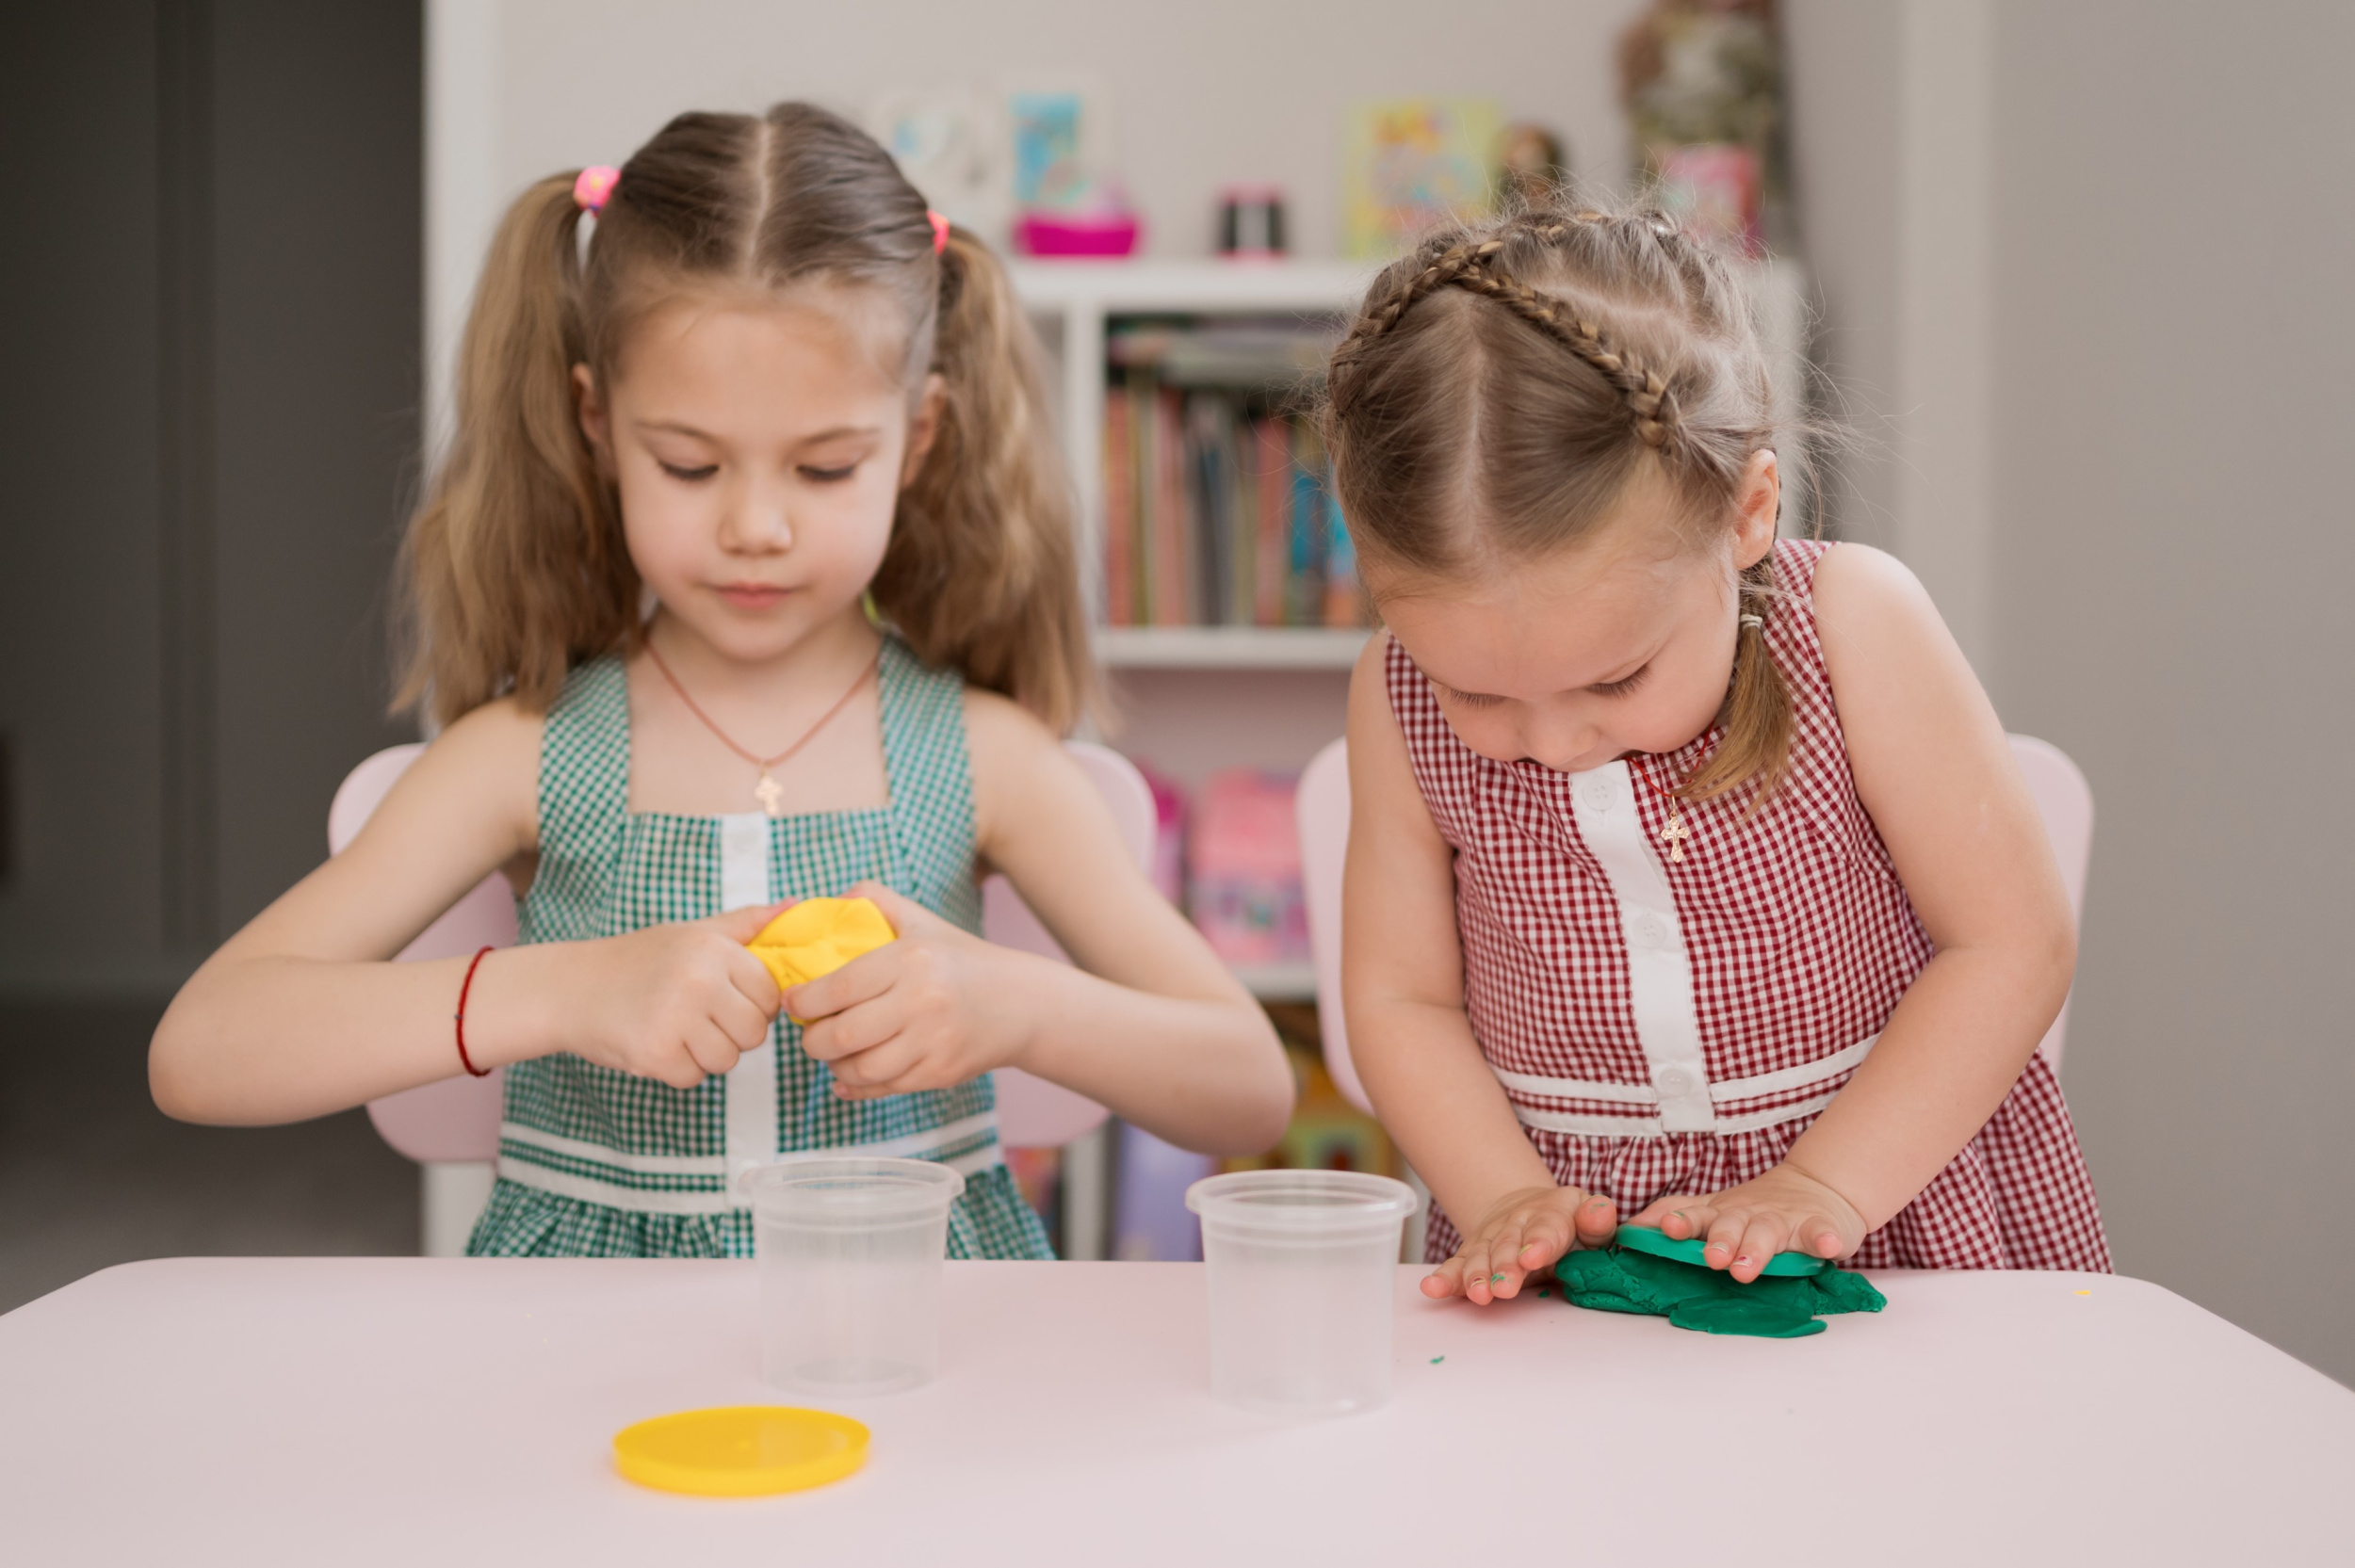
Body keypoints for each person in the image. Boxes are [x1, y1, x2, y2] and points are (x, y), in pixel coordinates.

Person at [149, 103, 1293, 1258]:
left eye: (827, 465)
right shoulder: (522, 754)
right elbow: (202, 1048)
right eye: (689, 464)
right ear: (598, 423)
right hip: (589, 1358)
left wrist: (1022, 1009)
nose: (756, 527)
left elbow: (1247, 1090)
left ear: (921, 433)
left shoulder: (986, 756)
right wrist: (554, 993)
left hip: (914, 1349)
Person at [1322, 202, 2107, 1304]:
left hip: (1878, 1209)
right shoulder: (1390, 695)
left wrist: (1825, 1185)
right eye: (1478, 693)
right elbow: (1403, 1000)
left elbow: (2008, 942)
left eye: (1615, 679)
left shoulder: (1846, 623)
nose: (1550, 742)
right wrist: (1499, 1194)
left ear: (1745, 514)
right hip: (1567, 1241)